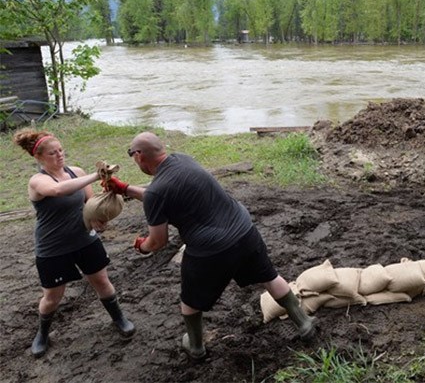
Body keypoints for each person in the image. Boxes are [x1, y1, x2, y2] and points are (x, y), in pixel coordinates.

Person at [105, 131, 316, 360]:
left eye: (131, 155)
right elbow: (161, 194)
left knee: (190, 302)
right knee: (270, 277)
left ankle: (195, 347)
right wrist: (125, 189)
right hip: (244, 231)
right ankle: (304, 323)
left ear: (138, 155)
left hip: (211, 250)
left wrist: (141, 246)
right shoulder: (183, 159)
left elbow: (158, 241)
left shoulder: (157, 192)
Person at [12, 130, 135, 358]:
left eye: (60, 150)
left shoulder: (75, 172)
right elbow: (58, 191)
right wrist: (95, 175)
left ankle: (119, 318)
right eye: (52, 153)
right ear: (39, 157)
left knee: (102, 281)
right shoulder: (38, 181)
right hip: (52, 247)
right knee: (52, 297)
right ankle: (43, 333)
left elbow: (89, 204)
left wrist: (100, 219)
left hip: (84, 240)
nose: (59, 155)